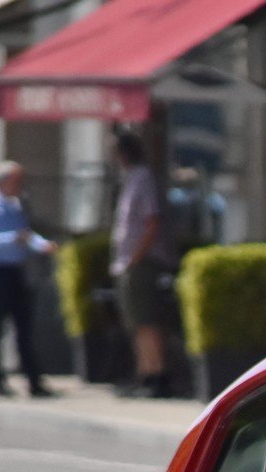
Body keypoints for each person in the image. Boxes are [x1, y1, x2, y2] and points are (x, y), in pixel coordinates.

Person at [0, 161, 59, 398]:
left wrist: (43, 246)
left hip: (15, 271)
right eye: (16, 182)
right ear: (4, 182)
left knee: (24, 326)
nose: (21, 186)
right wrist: (11, 238)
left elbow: (27, 236)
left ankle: (33, 380)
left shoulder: (16, 206)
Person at [110, 129, 173, 398]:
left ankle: (156, 375)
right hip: (128, 262)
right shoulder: (131, 178)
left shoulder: (144, 177)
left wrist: (136, 257)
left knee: (146, 321)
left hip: (143, 262)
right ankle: (144, 373)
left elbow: (152, 221)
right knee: (135, 322)